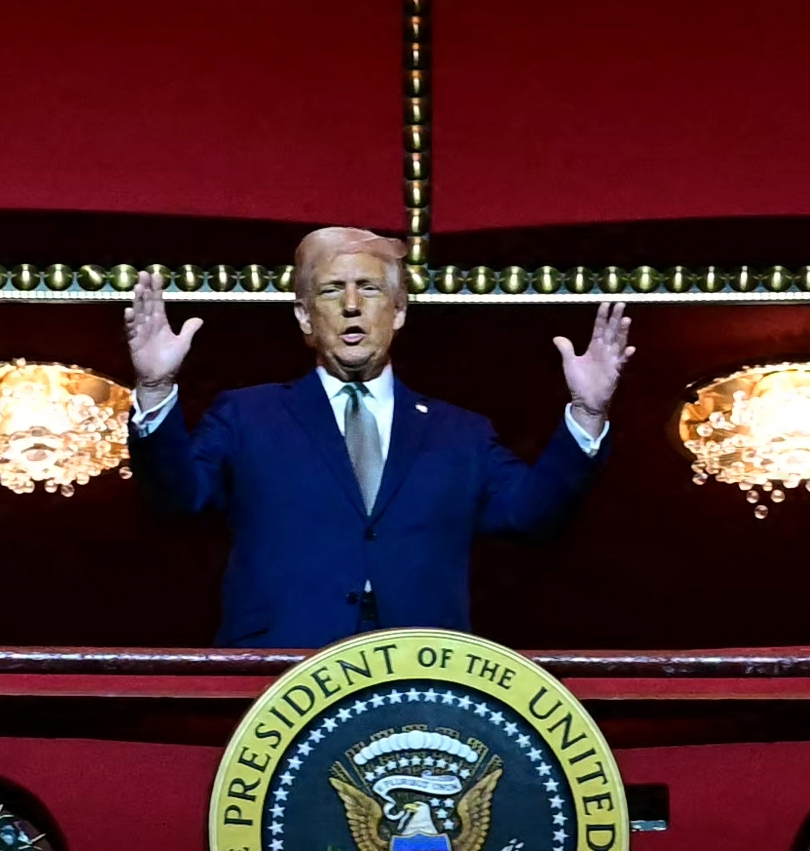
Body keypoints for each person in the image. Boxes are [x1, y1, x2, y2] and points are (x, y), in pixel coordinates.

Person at [125, 226, 634, 650]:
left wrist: (588, 412)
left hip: (424, 664)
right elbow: (179, 501)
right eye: (330, 290)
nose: (351, 305)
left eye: (369, 289)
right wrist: (155, 387)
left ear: (399, 311)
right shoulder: (247, 413)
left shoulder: (460, 432)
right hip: (282, 659)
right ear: (304, 316)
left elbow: (532, 516)